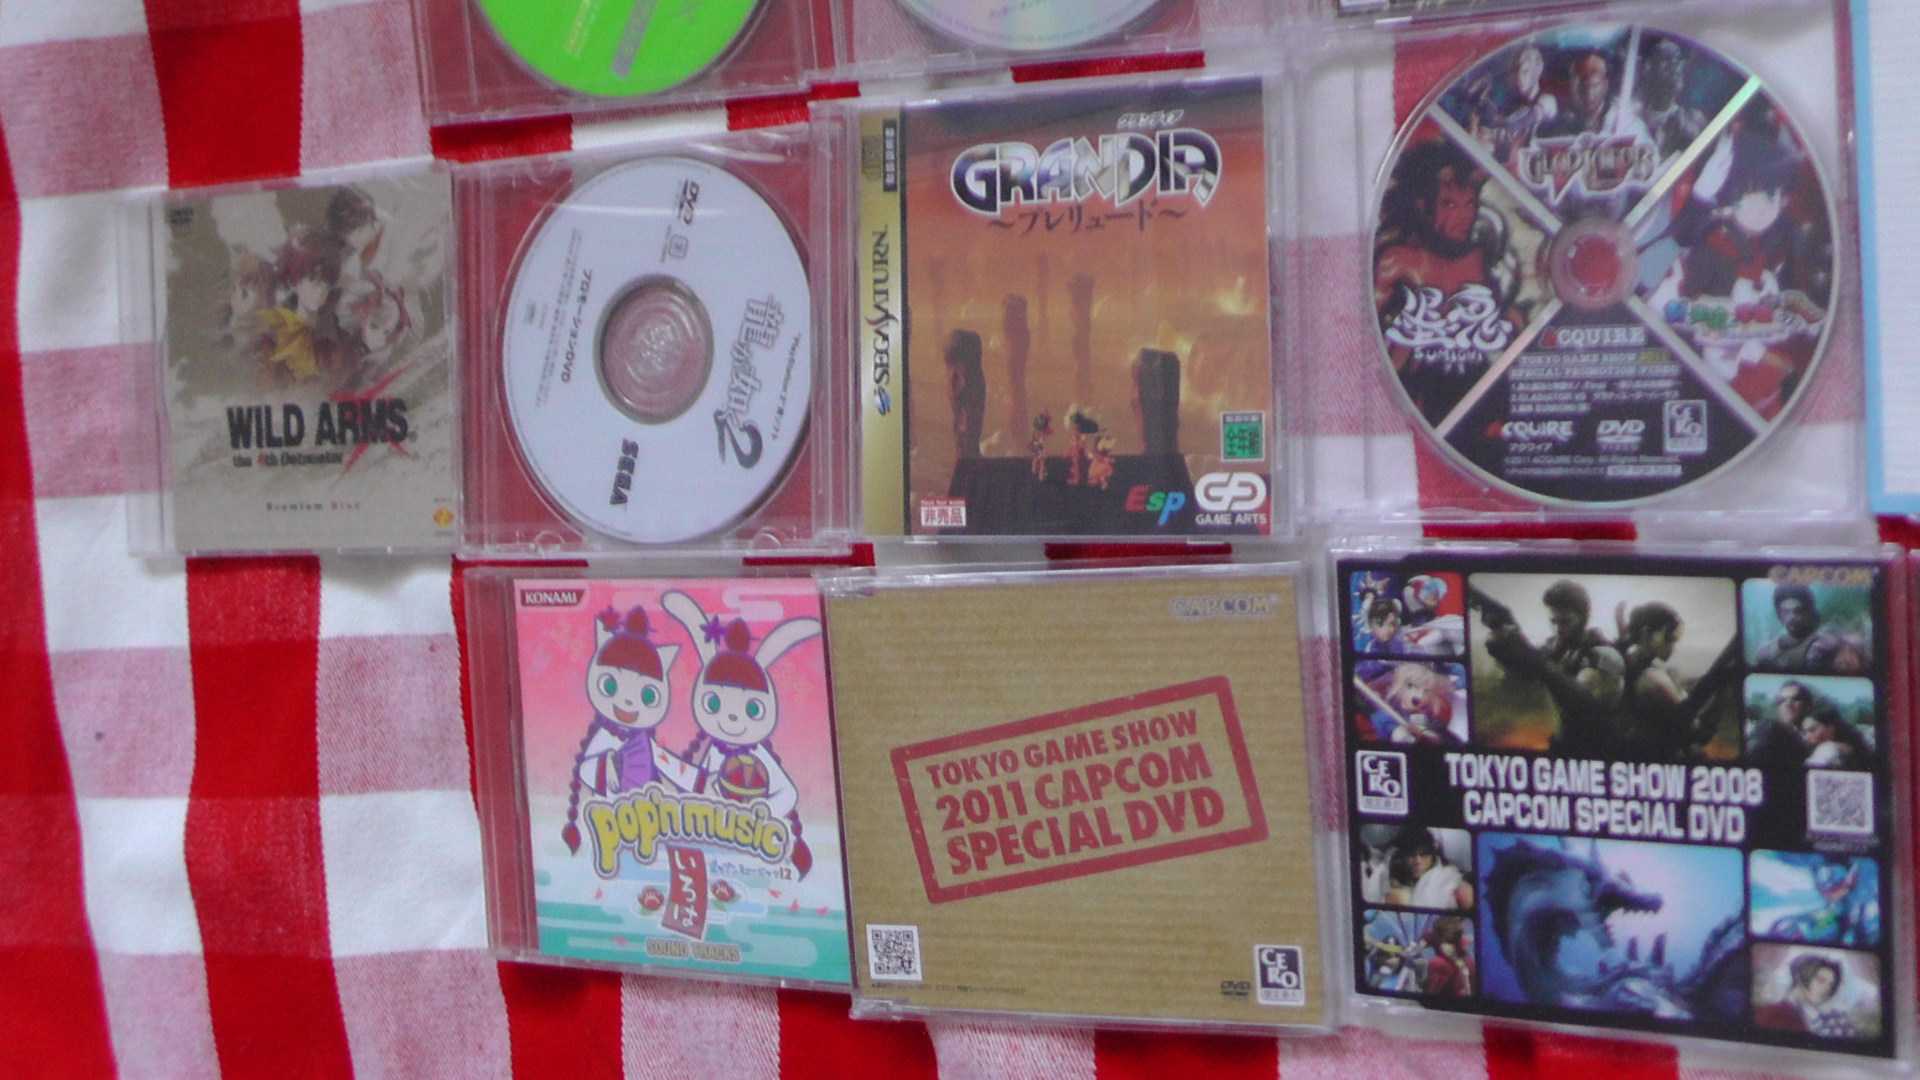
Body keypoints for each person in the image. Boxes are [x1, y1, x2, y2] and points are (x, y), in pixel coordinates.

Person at [1374, 140, 1523, 425]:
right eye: (1449, 204)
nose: (1464, 216)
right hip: (1417, 403)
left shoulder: (1477, 259)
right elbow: (1368, 340)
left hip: (1480, 399)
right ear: (1423, 205)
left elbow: (1506, 325)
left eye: (1470, 203)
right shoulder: (1400, 260)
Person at [1478, 580, 1626, 756]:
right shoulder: (1554, 648)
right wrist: (1505, 649)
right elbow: (1524, 674)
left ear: (1583, 617)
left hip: (1601, 751)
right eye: (1553, 621)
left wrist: (1538, 663)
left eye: (1565, 621)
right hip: (1563, 746)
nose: (1557, 629)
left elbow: (1588, 706)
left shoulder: (1603, 655)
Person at [1755, 584, 1864, 673]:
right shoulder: (1765, 653)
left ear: (1809, 612)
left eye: (1798, 611)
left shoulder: (1828, 642)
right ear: (1779, 614)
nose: (1792, 618)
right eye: (1786, 612)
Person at [1754, 954, 1856, 1038]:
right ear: (1801, 977)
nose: (1827, 989)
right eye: (1821, 981)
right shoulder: (1772, 1013)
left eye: (1831, 986)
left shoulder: (1827, 1019)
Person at [1384, 827, 1473, 910]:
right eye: (1411, 854)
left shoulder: (1450, 879)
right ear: (1402, 857)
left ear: (1432, 856)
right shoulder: (1389, 881)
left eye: (1424, 855)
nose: (1417, 861)